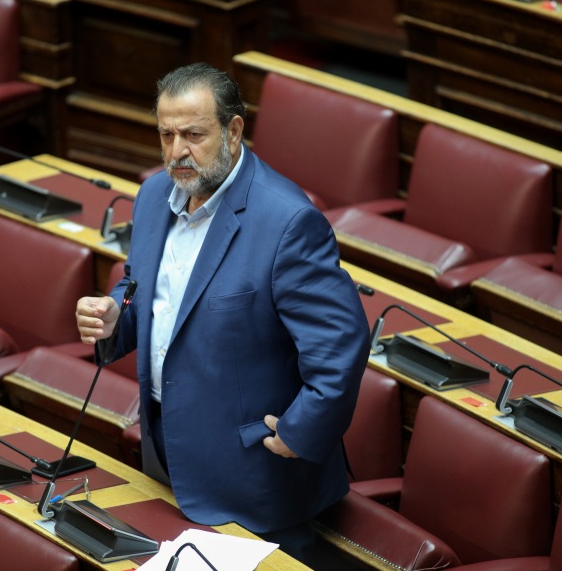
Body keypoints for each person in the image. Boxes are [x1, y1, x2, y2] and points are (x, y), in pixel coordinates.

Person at [75, 62, 370, 565]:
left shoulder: (287, 221)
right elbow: (146, 290)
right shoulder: (153, 196)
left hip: (254, 477)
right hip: (166, 452)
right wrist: (113, 316)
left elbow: (341, 344)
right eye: (166, 135)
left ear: (233, 131)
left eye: (193, 135)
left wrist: (300, 432)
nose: (176, 152)